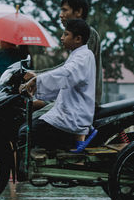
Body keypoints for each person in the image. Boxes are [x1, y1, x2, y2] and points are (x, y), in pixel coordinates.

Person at [20, 19, 95, 150]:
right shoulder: (79, 55)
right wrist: (38, 82)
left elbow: (66, 74)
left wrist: (37, 80)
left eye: (66, 34)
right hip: (67, 113)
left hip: (71, 117)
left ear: (78, 39)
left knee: (25, 133)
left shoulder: (83, 57)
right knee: (29, 128)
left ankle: (66, 149)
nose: (61, 38)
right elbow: (64, 82)